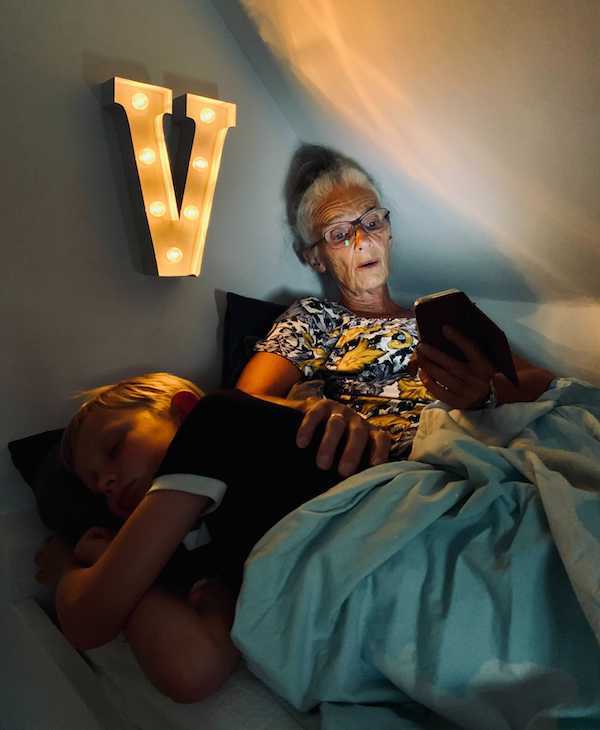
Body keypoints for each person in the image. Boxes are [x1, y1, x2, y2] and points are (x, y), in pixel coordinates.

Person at [34, 372, 363, 704]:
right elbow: (191, 670)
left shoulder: (217, 422)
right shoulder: (194, 549)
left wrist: (68, 568)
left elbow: (86, 620)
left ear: (183, 410)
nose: (106, 481)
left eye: (114, 449)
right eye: (97, 488)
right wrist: (117, 568)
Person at [237, 144, 555, 458]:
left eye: (372, 223)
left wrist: (488, 394)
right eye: (339, 234)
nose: (363, 241)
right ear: (316, 258)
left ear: (388, 233)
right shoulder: (315, 317)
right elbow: (243, 403)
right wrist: (313, 411)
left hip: (472, 446)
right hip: (391, 460)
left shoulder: (438, 314)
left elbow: (543, 381)